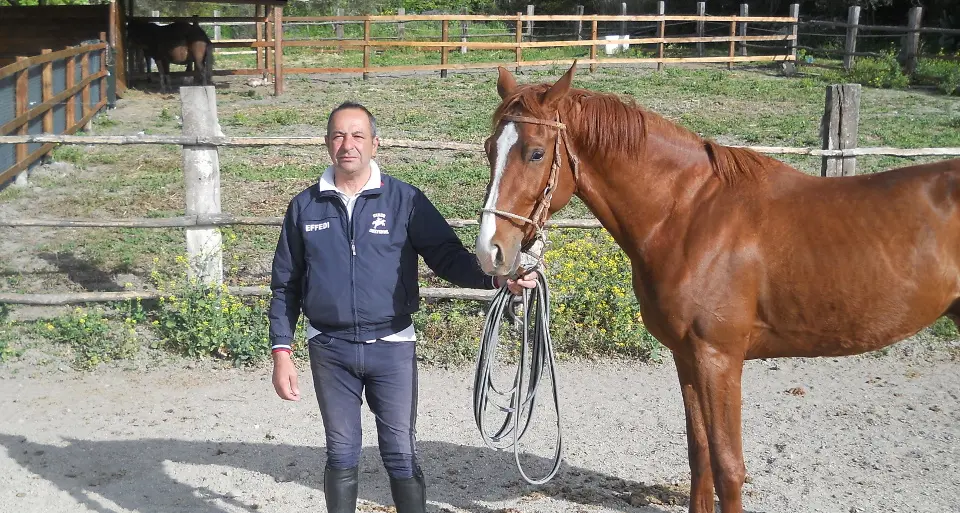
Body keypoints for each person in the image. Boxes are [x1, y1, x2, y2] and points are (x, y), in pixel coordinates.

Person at [268, 101, 535, 513]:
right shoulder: (305, 206)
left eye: (357, 135)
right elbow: (286, 283)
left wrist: (499, 279)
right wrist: (281, 351)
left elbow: (448, 258)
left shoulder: (406, 200)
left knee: (400, 454)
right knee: (341, 454)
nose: (347, 144)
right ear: (326, 144)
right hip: (329, 348)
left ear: (375, 143)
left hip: (391, 347)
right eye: (338, 135)